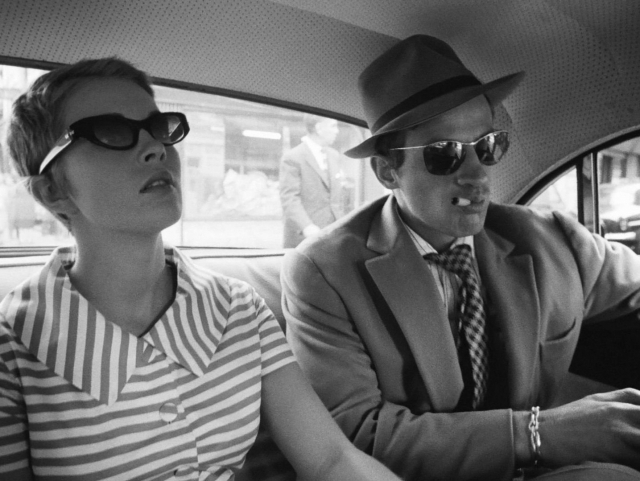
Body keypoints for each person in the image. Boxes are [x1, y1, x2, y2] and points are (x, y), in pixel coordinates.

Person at [0, 57, 402, 481]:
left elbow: (331, 459)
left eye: (159, 128)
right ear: (52, 191)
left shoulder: (238, 308)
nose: (157, 148)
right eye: (111, 132)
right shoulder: (14, 346)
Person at [281, 34, 640, 480]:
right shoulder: (324, 271)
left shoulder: (550, 239)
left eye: (488, 146)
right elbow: (357, 438)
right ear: (388, 171)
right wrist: (537, 433)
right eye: (444, 154)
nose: (478, 176)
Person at [279, 114, 345, 247]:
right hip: (304, 239)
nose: (337, 131)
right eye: (333, 126)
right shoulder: (293, 158)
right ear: (319, 128)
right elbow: (289, 198)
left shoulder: (334, 156)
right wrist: (306, 226)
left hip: (333, 234)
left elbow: (337, 199)